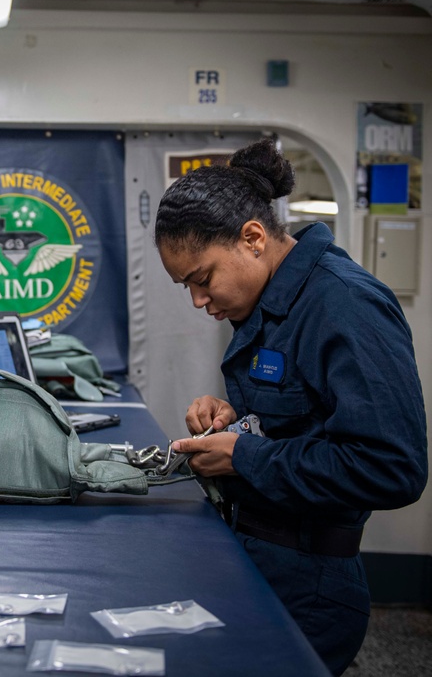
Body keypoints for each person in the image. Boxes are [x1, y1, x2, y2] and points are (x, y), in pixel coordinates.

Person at [154, 138, 428, 676]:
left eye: (203, 279)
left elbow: (391, 468)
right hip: (257, 556)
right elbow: (304, 419)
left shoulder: (344, 304)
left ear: (252, 238)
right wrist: (236, 420)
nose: (198, 301)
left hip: (312, 585)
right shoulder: (277, 303)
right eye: (185, 287)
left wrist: (243, 457)